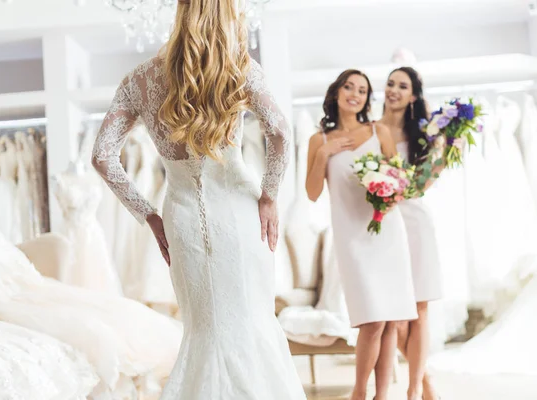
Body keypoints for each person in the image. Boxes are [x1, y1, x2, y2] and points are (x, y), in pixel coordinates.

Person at [91, 1, 306, 399]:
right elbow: (279, 131)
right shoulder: (239, 67)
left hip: (183, 218)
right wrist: (270, 196)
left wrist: (149, 217)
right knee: (252, 322)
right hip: (242, 216)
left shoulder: (139, 80)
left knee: (203, 329)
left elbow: (102, 157)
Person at [305, 69, 417, 400]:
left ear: (368, 98)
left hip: (386, 232)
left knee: (388, 321)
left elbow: (401, 183)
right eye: (349, 87)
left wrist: (385, 187)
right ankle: (358, 393)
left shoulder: (378, 131)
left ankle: (380, 396)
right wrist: (325, 155)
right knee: (371, 320)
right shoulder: (318, 141)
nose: (356, 94)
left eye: (363, 90)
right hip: (352, 238)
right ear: (336, 93)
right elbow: (311, 193)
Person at [379, 67, 443, 400]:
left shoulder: (423, 133)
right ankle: (426, 377)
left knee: (419, 310)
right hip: (385, 223)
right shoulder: (371, 130)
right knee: (394, 316)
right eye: (390, 83)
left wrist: (444, 152)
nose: (394, 90)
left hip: (415, 221)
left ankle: (414, 388)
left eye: (402, 86)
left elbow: (424, 183)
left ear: (413, 95)